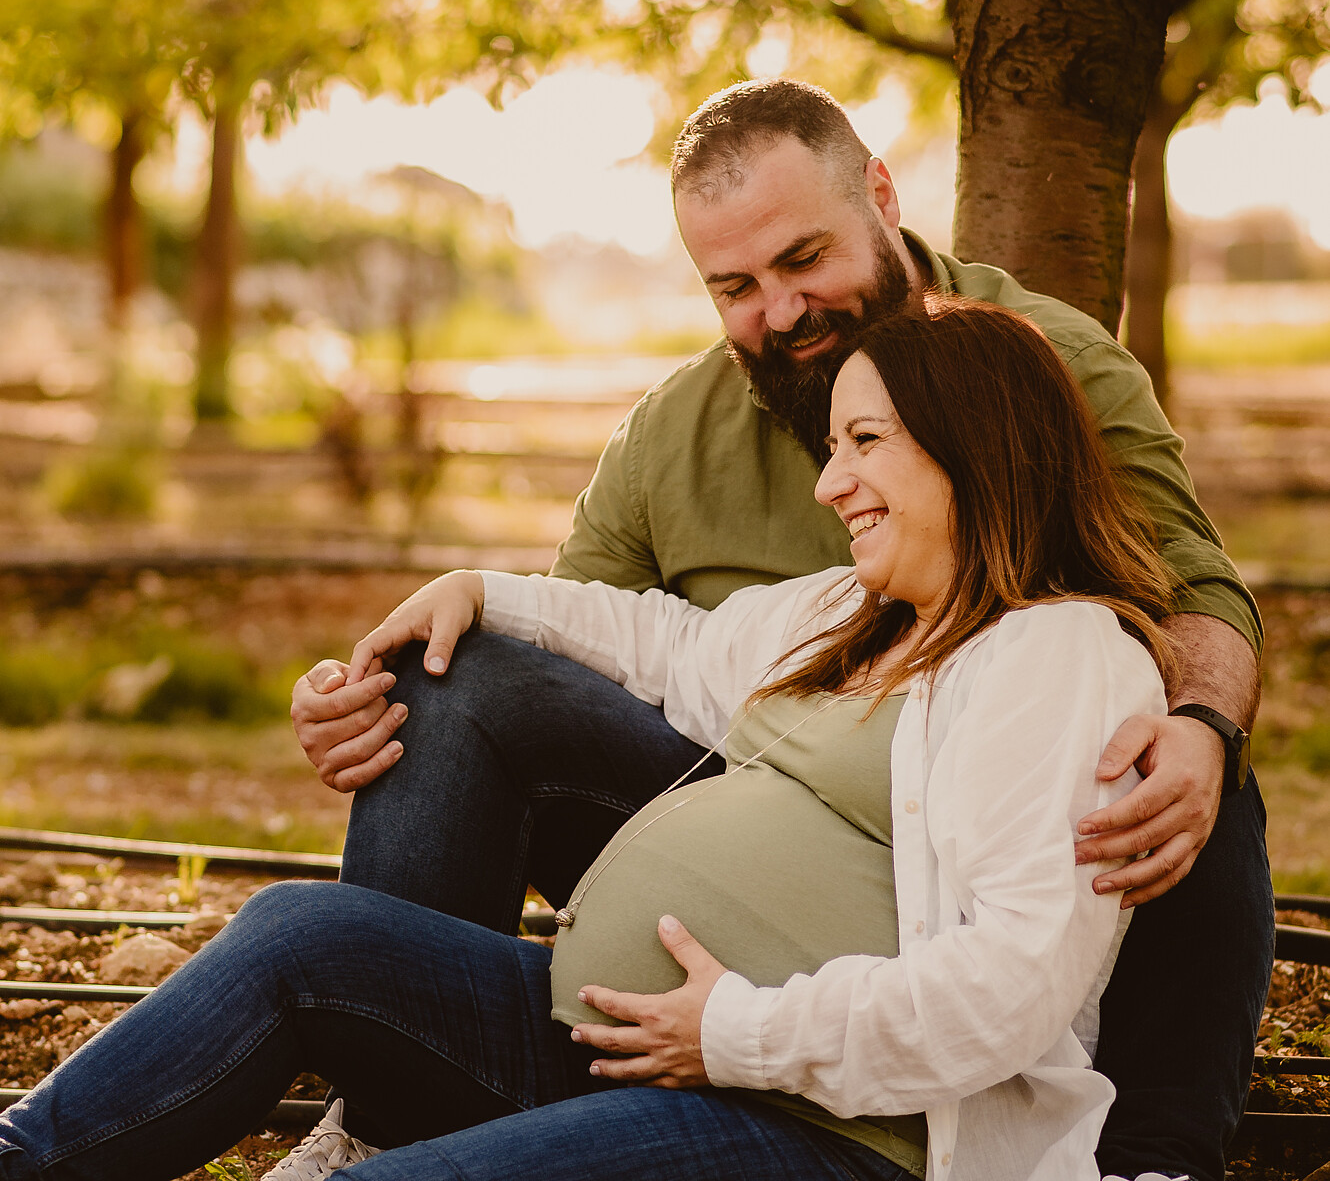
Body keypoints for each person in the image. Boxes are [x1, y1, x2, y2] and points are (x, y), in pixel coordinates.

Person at [291, 79, 1272, 1181]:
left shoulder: (1045, 361)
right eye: (737, 287)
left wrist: (1200, 728)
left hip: (992, 826)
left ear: (882, 198)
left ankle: (1152, 1155)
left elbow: (1194, 588)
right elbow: (563, 663)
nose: (784, 309)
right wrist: (381, 688)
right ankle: (395, 1098)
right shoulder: (669, 435)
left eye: (805, 259)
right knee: (459, 673)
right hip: (757, 803)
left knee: (1188, 758)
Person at [0, 302, 1177, 1181]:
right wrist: (480, 589)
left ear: (978, 443)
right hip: (628, 1041)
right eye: (832, 446)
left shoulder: (1056, 654)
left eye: (864, 440)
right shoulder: (851, 611)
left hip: (839, 1130)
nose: (832, 483)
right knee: (295, 935)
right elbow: (666, 639)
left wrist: (737, 1031)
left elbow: (1009, 987)